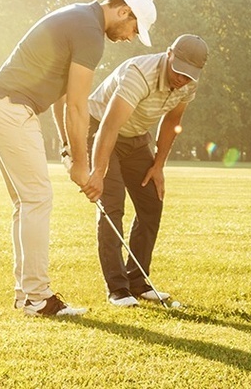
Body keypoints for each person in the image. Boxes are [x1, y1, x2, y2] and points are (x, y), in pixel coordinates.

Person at [0, 0, 156, 317]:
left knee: (26, 202)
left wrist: (70, 149)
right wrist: (82, 165)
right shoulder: (89, 32)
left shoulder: (80, 17)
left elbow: (62, 98)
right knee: (38, 199)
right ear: (124, 12)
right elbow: (77, 106)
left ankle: (26, 294)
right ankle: (38, 298)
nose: (131, 38)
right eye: (134, 29)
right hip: (9, 107)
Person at [82, 33, 208, 307]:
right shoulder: (138, 73)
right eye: (179, 70)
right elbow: (110, 126)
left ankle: (138, 282)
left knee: (152, 203)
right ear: (169, 54)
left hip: (137, 137)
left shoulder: (188, 84)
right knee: (112, 205)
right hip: (101, 130)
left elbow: (173, 119)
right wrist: (98, 170)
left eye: (189, 75)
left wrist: (158, 164)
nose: (181, 79)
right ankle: (118, 289)